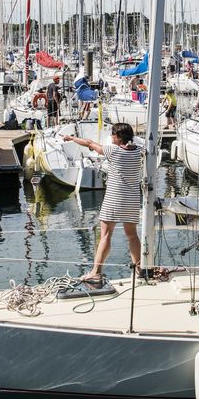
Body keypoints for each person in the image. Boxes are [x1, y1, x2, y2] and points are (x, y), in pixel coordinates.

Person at [62, 122, 143, 285]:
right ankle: (140, 269)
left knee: (106, 235)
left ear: (119, 137)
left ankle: (96, 272)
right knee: (132, 235)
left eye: (113, 134)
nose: (111, 137)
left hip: (114, 198)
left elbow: (90, 143)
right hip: (132, 199)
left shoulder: (113, 151)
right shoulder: (139, 152)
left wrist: (71, 138)